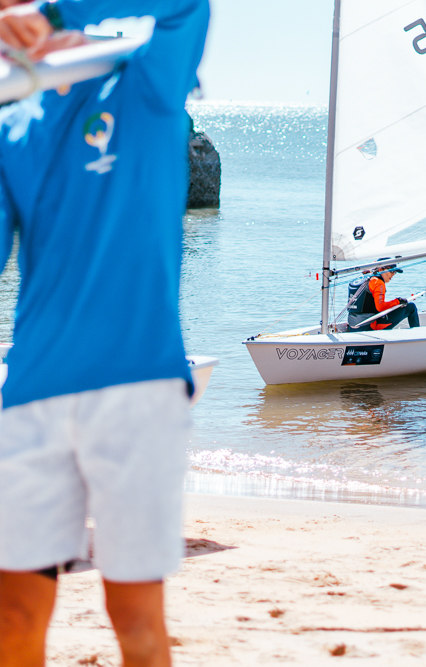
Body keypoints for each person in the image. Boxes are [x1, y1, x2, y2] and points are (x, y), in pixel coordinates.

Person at [0, 2, 209, 666]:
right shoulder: (13, 113)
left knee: (134, 613)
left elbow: (186, 6)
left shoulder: (148, 75)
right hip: (31, 391)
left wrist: (52, 11)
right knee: (13, 613)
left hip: (139, 385)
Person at [347, 264, 420, 331]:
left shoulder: (362, 278)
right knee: (411, 307)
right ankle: (417, 336)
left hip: (353, 326)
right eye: (392, 271)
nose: (393, 274)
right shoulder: (378, 282)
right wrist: (398, 301)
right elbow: (380, 307)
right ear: (381, 269)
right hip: (368, 327)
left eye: (395, 272)